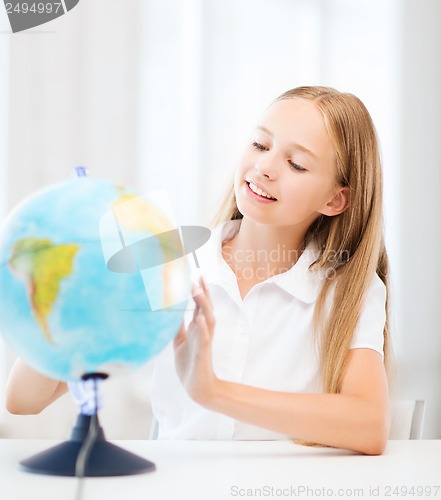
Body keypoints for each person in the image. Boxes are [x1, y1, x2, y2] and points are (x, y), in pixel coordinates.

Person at [5, 86, 390, 455]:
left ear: (335, 199)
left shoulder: (347, 288)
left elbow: (370, 427)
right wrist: (79, 286)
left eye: (296, 163)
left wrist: (214, 392)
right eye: (260, 144)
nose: (265, 167)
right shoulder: (167, 261)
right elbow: (23, 399)